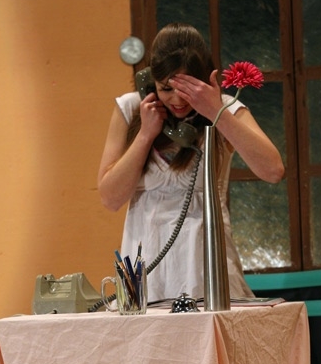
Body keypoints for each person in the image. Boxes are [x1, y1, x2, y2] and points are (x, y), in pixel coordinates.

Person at [98, 22, 285, 303]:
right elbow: (110, 198)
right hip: (145, 263)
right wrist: (145, 135)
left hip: (205, 263)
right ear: (150, 81)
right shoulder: (131, 107)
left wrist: (215, 111)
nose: (177, 100)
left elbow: (273, 171)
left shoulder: (225, 108)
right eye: (166, 88)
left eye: (187, 88)